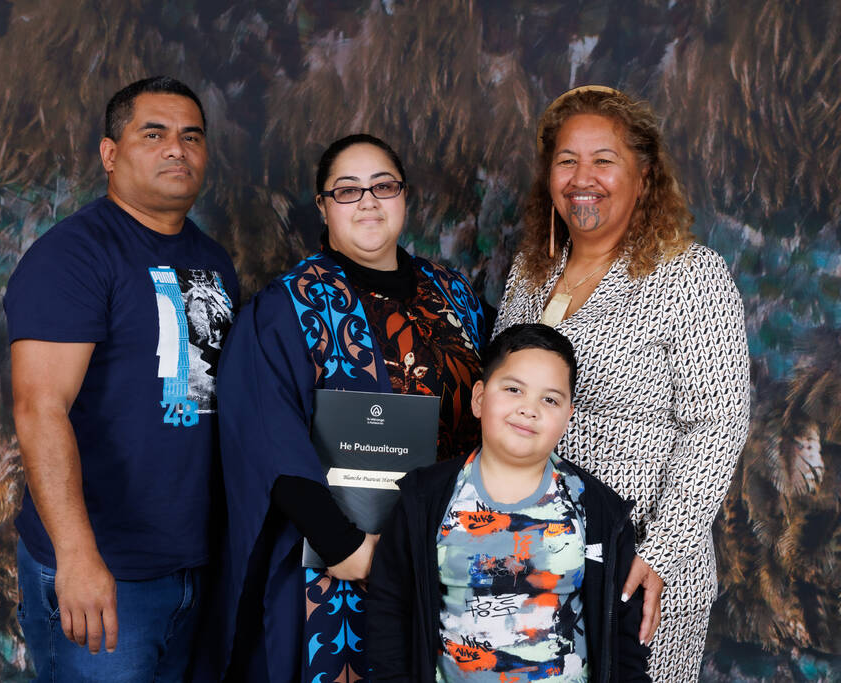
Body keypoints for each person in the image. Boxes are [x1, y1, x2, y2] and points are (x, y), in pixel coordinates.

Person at [493, 86, 750, 681]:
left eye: (604, 160)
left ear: (645, 174)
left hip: (639, 566)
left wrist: (658, 556)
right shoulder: (530, 273)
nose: (583, 178)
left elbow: (717, 425)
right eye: (566, 160)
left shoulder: (689, 274)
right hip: (526, 556)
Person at [216, 133, 487, 682]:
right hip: (342, 560)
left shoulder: (456, 295)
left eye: (383, 186)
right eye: (347, 190)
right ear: (322, 206)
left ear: (404, 197)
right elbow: (270, 441)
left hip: (455, 553)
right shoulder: (287, 307)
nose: (368, 201)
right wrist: (347, 549)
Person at [4, 76, 239, 681]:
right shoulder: (74, 257)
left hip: (192, 563)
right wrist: (76, 557)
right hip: (104, 570)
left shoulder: (213, 261)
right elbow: (39, 408)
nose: (176, 149)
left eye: (192, 137)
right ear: (111, 154)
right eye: (153, 133)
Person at [367, 323, 650, 682]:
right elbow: (390, 614)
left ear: (568, 417)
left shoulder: (596, 510)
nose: (529, 409)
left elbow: (625, 639)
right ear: (480, 399)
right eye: (514, 389)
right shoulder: (426, 499)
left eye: (550, 399)